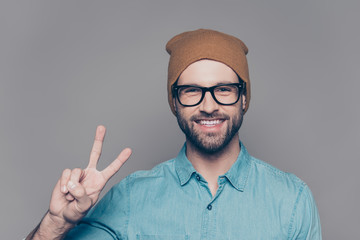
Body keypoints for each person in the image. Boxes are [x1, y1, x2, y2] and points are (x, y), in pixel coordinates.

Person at [26, 29, 322, 240]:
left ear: (243, 98)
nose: (209, 106)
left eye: (224, 90)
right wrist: (54, 225)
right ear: (175, 102)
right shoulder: (130, 199)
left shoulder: (292, 200)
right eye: (192, 91)